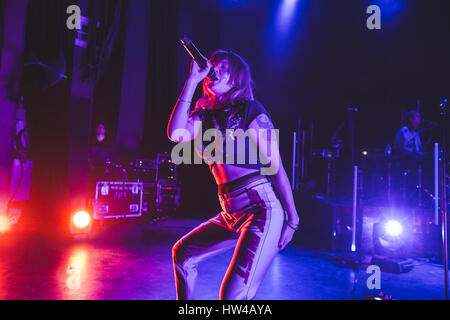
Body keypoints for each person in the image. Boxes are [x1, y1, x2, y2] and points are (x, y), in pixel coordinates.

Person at [167, 50, 299, 300]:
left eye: (223, 67)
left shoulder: (251, 110)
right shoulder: (203, 115)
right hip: (230, 212)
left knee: (232, 297)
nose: (215, 69)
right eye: (213, 65)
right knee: (182, 254)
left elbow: (277, 168)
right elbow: (176, 134)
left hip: (261, 209)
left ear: (237, 79)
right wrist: (192, 81)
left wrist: (292, 220)